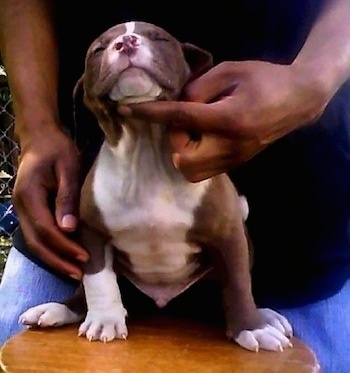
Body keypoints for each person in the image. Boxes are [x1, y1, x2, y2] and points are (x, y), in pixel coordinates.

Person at [0, 1, 350, 371]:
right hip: (65, 256)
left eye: (154, 40)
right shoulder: (96, 188)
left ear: (192, 64)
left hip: (295, 252)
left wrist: (312, 79)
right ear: (83, 92)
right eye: (104, 47)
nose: (127, 45)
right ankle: (80, 303)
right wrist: (37, 129)